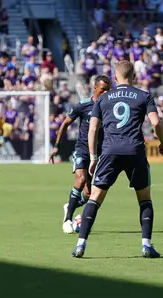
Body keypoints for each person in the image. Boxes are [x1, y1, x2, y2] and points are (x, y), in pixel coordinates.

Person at [71, 61, 163, 258]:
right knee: (144, 199)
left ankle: (81, 245)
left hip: (109, 152)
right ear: (133, 76)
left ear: (115, 77)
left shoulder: (104, 98)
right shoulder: (144, 96)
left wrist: (92, 157)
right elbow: (156, 122)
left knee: (95, 198)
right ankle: (146, 245)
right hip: (135, 151)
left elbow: (92, 129)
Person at [49, 75, 111, 234]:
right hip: (82, 150)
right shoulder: (83, 105)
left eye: (108, 90)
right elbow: (65, 124)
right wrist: (56, 146)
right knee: (81, 178)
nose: (105, 93)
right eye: (103, 90)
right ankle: (68, 219)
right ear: (95, 88)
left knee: (89, 193)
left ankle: (69, 206)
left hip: (99, 153)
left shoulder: (110, 107)